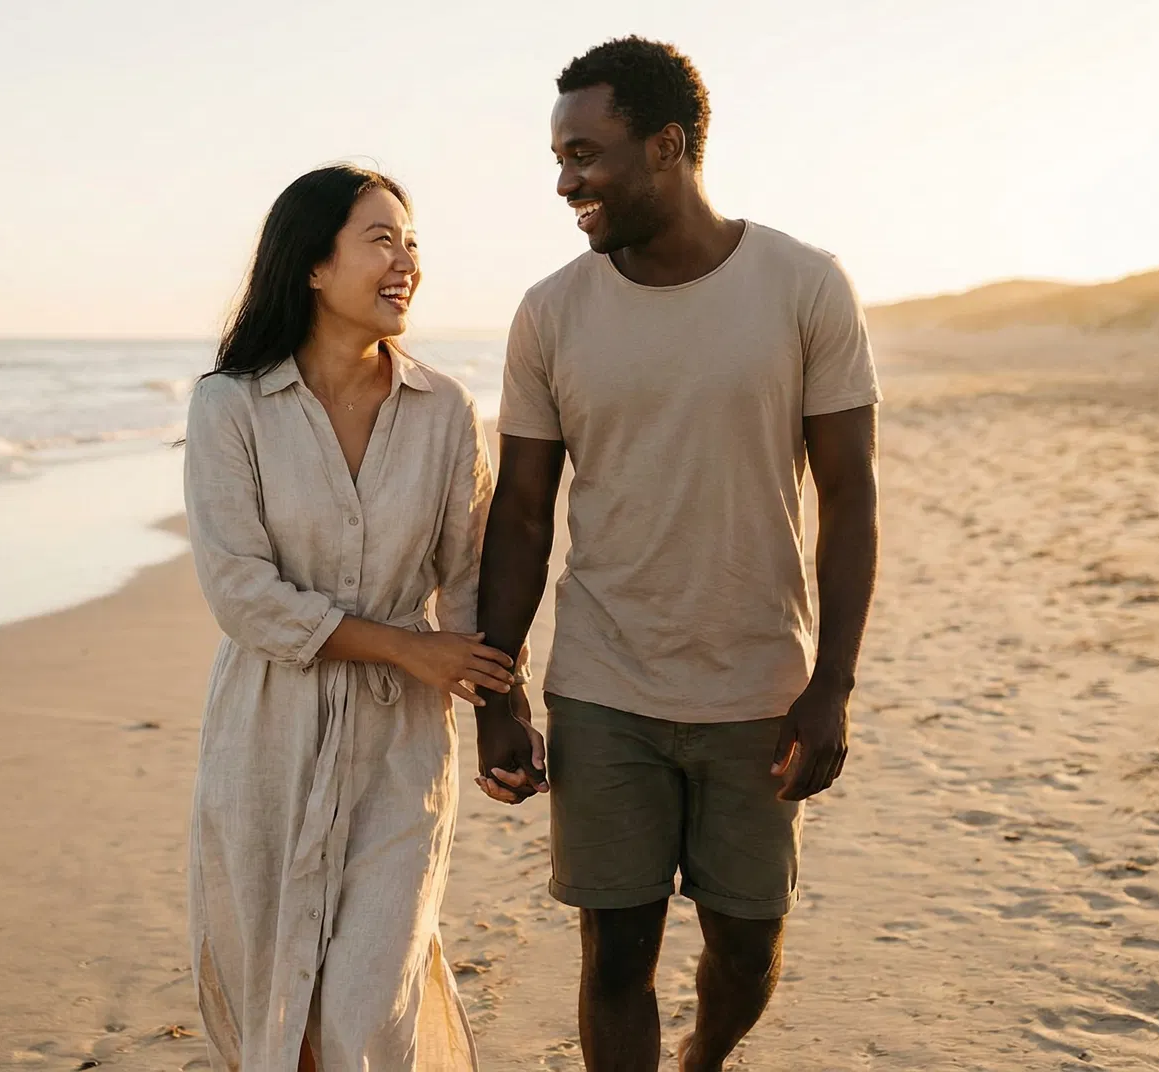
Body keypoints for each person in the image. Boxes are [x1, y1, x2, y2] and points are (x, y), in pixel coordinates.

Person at [471, 38, 883, 1071]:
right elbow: (522, 513)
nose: (565, 183)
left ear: (667, 146)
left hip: (759, 688)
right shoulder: (551, 311)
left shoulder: (804, 285)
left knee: (746, 943)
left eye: (585, 155)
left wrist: (832, 683)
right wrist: (498, 692)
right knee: (615, 950)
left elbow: (849, 493)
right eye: (559, 158)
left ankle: (701, 1059)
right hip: (605, 683)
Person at [183, 163, 531, 1071]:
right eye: (381, 240)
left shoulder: (446, 410)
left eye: (412, 244)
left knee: (368, 1010)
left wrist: (501, 711)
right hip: (267, 736)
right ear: (311, 264)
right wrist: (408, 650)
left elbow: (468, 582)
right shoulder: (231, 406)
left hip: (402, 749)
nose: (406, 262)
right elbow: (240, 592)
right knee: (279, 1010)